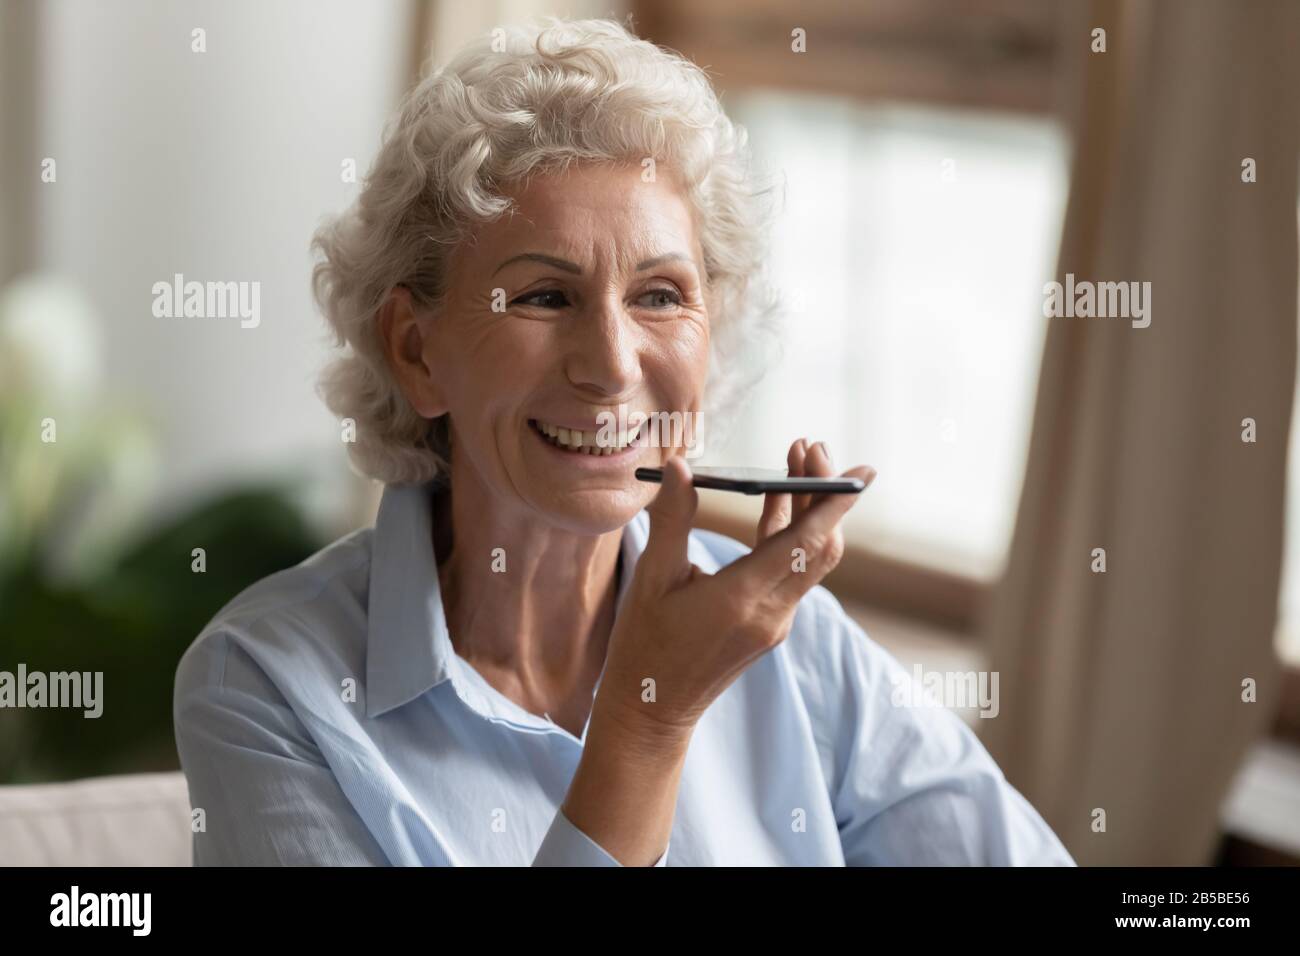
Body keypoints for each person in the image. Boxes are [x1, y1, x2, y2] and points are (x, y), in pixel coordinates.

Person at [173, 17, 1074, 867]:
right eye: (543, 296)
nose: (610, 365)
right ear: (418, 352)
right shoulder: (264, 686)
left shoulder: (801, 653)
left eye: (660, 295)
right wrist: (648, 720)